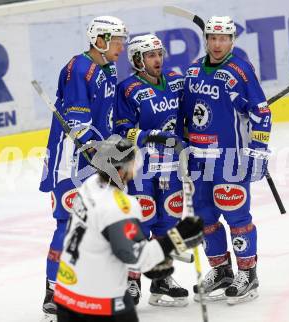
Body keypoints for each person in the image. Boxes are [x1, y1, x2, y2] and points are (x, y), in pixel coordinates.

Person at [54, 136, 204, 322]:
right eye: (132, 163)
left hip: (65, 294)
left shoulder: (89, 186)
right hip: (98, 303)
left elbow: (113, 244)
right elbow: (138, 259)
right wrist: (178, 237)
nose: (135, 168)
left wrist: (150, 261)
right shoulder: (120, 206)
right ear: (120, 170)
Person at [175, 16, 272, 305]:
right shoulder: (192, 70)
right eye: (212, 38)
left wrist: (257, 151)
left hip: (230, 159)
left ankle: (248, 272)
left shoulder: (241, 70)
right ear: (206, 39)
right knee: (205, 219)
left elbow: (261, 113)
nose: (217, 44)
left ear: (232, 40)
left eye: (223, 38)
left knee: (237, 217)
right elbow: (183, 115)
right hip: (198, 159)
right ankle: (221, 270)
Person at [39, 16, 128, 322]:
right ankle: (54, 290)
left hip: (95, 160)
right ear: (100, 40)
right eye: (116, 40)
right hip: (69, 163)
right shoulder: (78, 69)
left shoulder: (109, 67)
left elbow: (106, 116)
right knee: (67, 225)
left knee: (101, 225)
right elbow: (78, 125)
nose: (121, 46)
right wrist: (101, 152)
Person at [114, 34, 188, 307]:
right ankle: (132, 280)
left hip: (170, 166)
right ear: (137, 60)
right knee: (140, 221)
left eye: (159, 53)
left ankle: (161, 279)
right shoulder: (128, 89)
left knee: (168, 222)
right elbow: (122, 129)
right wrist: (150, 135)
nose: (157, 59)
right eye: (150, 55)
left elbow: (189, 112)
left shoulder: (175, 81)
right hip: (140, 166)